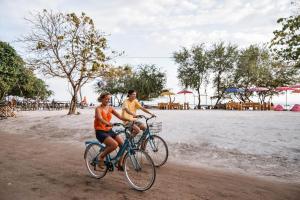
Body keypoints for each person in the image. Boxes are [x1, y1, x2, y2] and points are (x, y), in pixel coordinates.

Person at [94, 92, 131, 169]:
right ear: (102, 99)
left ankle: (119, 164)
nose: (108, 100)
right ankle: (101, 157)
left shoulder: (110, 108)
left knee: (122, 145)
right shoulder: (98, 108)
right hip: (100, 131)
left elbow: (120, 116)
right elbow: (100, 119)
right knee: (114, 144)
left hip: (109, 130)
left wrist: (129, 119)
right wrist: (108, 123)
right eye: (106, 99)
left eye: (109, 99)